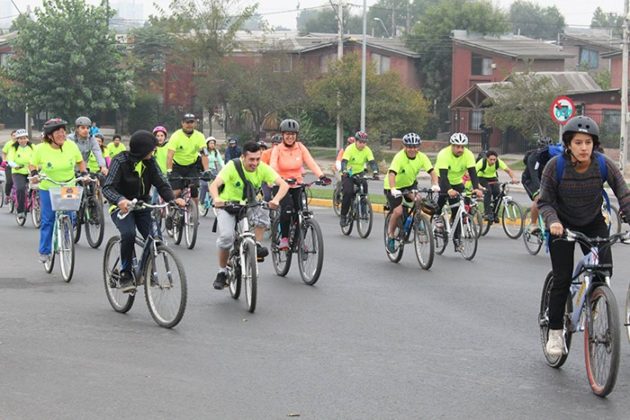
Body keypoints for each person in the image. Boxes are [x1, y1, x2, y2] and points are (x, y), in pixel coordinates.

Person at [538, 115, 630, 357]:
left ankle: (597, 299)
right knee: (562, 279)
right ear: (568, 144)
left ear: (594, 144)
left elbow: (623, 193)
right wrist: (553, 221)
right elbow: (544, 202)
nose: (583, 148)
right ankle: (555, 332)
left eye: (588, 143)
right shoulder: (555, 166)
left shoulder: (603, 164)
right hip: (562, 225)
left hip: (593, 222)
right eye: (578, 142)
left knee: (604, 270)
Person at [103, 130, 186, 293]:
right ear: (142, 150)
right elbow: (107, 187)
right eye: (151, 149)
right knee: (128, 234)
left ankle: (145, 271)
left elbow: (161, 183)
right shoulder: (120, 161)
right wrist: (120, 200)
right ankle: (125, 273)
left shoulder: (150, 162)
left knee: (156, 238)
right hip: (121, 207)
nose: (154, 151)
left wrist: (172, 199)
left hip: (142, 205)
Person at [209, 141, 289, 290]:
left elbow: (284, 184)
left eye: (258, 159)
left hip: (250, 205)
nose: (255, 163)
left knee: (264, 208)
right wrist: (217, 199)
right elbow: (214, 185)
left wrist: (276, 200)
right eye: (251, 159)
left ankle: (256, 245)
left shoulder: (262, 168)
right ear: (243, 157)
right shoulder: (232, 166)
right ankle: (222, 272)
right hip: (228, 206)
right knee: (226, 238)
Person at [29, 119, 87, 263]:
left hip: (68, 186)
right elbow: (32, 164)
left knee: (71, 216)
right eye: (58, 132)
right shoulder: (40, 148)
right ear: (50, 136)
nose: (62, 135)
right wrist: (34, 174)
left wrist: (84, 173)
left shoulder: (71, 145)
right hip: (48, 187)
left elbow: (80, 161)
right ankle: (45, 251)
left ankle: (66, 240)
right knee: (48, 219)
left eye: (63, 131)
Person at [270, 119, 331, 250]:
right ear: (282, 135)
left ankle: (299, 241)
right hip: (281, 185)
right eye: (287, 134)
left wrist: (321, 176)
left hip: (297, 184)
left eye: (293, 134)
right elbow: (273, 165)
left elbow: (311, 162)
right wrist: (278, 178)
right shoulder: (277, 149)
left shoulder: (300, 147)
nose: (290, 137)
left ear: (296, 135)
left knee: (302, 213)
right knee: (287, 208)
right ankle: (284, 239)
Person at [384, 133, 439, 252]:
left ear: (418, 147)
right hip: (393, 186)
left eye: (415, 146)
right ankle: (390, 235)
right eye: (409, 146)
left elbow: (432, 172)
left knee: (418, 199)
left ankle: (418, 221)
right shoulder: (399, 157)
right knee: (398, 211)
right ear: (404, 146)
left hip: (409, 184)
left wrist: (435, 184)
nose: (412, 149)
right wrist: (393, 189)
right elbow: (392, 173)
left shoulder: (422, 157)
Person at [434, 132, 483, 251]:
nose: (460, 149)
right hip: (442, 178)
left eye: (462, 146)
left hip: (457, 181)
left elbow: (473, 173)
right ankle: (436, 215)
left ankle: (457, 240)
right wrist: (449, 190)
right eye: (457, 146)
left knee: (457, 211)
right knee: (443, 196)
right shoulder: (444, 154)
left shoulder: (468, 154)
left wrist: (476, 188)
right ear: (452, 145)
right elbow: (443, 176)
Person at [166, 113, 209, 206]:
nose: (189, 125)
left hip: (192, 166)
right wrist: (169, 170)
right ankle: (171, 210)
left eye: (191, 122)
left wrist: (206, 170)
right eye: (187, 122)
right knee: (176, 191)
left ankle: (195, 212)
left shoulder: (200, 136)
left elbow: (204, 154)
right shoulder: (176, 136)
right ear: (182, 123)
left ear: (195, 123)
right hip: (177, 166)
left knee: (194, 192)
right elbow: (170, 155)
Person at [339, 130, 379, 227]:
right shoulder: (350, 149)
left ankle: (364, 211)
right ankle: (343, 216)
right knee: (348, 192)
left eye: (364, 142)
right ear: (356, 141)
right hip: (348, 173)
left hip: (360, 172)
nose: (362, 144)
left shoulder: (367, 150)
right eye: (360, 142)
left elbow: (372, 162)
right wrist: (344, 171)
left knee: (364, 187)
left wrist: (375, 172)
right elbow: (344, 161)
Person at [521, 136, 561, 233]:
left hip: (544, 179)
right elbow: (534, 176)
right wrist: (541, 190)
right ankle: (533, 224)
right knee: (539, 198)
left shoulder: (553, 156)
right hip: (530, 180)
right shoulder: (533, 157)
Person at [476, 150, 518, 221]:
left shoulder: (498, 162)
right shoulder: (481, 162)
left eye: (494, 159)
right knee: (488, 191)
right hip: (482, 177)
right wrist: (477, 184)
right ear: (487, 158)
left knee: (497, 193)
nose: (493, 161)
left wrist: (513, 178)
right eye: (491, 159)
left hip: (492, 177)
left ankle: (494, 213)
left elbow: (508, 170)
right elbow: (473, 173)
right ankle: (487, 213)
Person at [6, 129, 35, 222]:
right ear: (17, 139)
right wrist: (16, 166)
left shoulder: (33, 147)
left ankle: (35, 202)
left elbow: (39, 157)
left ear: (27, 138)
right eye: (20, 138)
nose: (23, 140)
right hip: (18, 172)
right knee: (20, 189)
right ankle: (20, 210)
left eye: (24, 138)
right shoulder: (13, 148)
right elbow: (10, 160)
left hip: (31, 171)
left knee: (38, 187)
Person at [2, 130, 17, 202]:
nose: (15, 137)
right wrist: (4, 160)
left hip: (18, 165)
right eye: (13, 135)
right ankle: (7, 195)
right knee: (9, 181)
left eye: (16, 135)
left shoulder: (21, 144)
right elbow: (4, 153)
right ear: (11, 136)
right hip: (9, 165)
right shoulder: (8, 144)